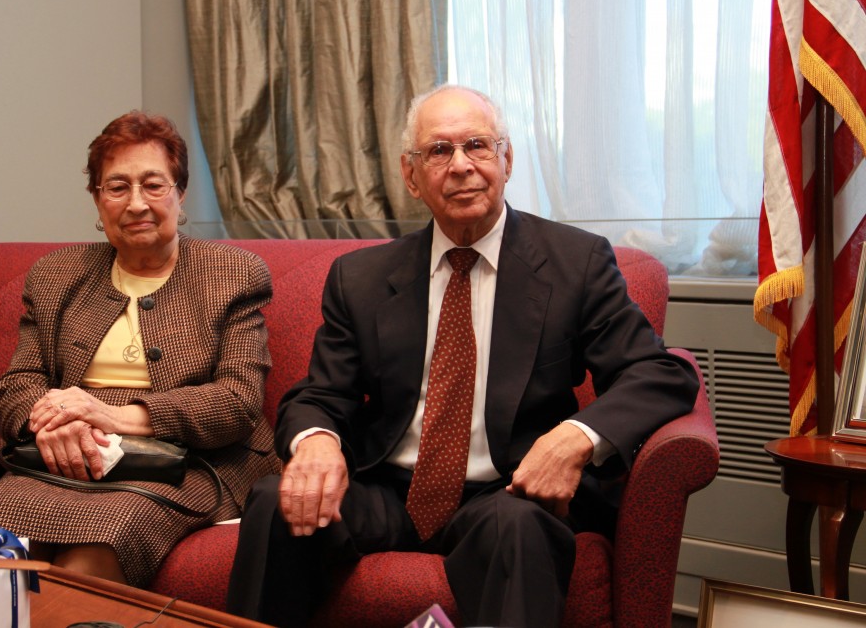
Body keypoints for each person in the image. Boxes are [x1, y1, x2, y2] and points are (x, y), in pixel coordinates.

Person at [225, 85, 699, 626]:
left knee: (520, 528)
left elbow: (659, 373)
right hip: (387, 487)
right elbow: (321, 393)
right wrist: (316, 442)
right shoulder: (362, 278)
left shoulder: (576, 263)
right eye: (439, 151)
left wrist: (576, 438)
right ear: (411, 176)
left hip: (509, 490)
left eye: (477, 145)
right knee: (274, 502)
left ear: (506, 159)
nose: (461, 166)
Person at [0, 111, 279, 587]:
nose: (137, 203)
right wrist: (54, 421)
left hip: (186, 461)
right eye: (117, 187)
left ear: (180, 192)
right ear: (96, 199)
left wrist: (110, 416)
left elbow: (237, 402)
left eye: (154, 185)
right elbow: (16, 387)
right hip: (61, 460)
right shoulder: (55, 275)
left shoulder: (232, 273)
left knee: (99, 544)